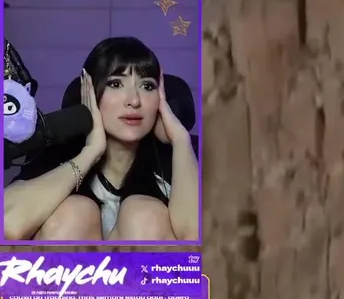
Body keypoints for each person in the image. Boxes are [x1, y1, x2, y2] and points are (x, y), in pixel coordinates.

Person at [3, 36, 199, 241]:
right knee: (75, 212)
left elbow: (197, 238)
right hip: (65, 260)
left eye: (147, 86)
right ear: (89, 92)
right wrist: (90, 152)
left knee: (143, 215)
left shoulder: (177, 160)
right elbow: (7, 224)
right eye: (116, 83)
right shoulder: (54, 153)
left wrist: (180, 139)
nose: (134, 100)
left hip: (152, 259)